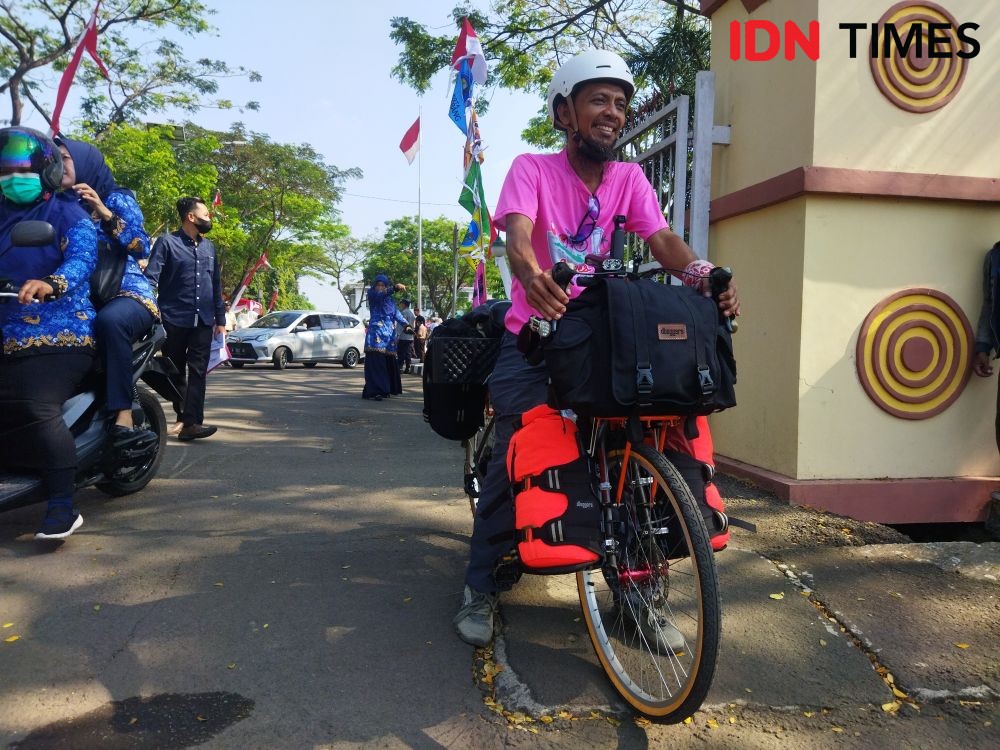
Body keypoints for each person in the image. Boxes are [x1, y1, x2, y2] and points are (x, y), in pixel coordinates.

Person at [453, 50, 740, 648]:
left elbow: (661, 239)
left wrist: (705, 274)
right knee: (520, 447)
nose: (613, 113)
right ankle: (480, 585)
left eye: (620, 103)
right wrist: (532, 278)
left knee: (633, 449)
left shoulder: (629, 179)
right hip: (534, 336)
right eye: (598, 101)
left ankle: (637, 598)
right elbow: (520, 236)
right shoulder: (532, 168)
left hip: (600, 337)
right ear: (566, 112)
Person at [0, 127, 98, 539]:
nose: (12, 178)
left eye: (23, 170)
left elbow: (82, 259)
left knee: (35, 404)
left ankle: (61, 505)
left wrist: (52, 283)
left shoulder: (66, 211)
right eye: (5, 171)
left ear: (47, 170)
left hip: (59, 330)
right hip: (6, 327)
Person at [56, 137, 159, 441]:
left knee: (111, 321)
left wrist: (104, 213)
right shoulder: (54, 204)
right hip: (78, 295)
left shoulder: (116, 198)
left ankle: (123, 413)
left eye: (66, 158)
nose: (59, 165)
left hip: (126, 294)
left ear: (85, 161)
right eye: (54, 159)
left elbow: (142, 247)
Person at [144, 197, 226, 440]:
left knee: (198, 372)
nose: (209, 219)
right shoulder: (167, 243)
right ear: (191, 217)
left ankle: (192, 423)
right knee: (174, 371)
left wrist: (220, 320)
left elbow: (215, 285)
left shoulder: (209, 247)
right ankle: (183, 415)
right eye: (206, 215)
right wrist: (148, 308)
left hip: (203, 320)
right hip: (172, 319)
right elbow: (151, 278)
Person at [362, 274, 407, 401]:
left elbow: (397, 314)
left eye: (383, 285)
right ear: (375, 285)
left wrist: (406, 325)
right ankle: (375, 391)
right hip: (376, 334)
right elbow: (380, 295)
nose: (380, 287)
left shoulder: (390, 301)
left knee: (388, 363)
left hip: (389, 336)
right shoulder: (373, 295)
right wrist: (395, 288)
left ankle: (387, 389)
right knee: (377, 364)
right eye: (378, 285)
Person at [396, 297, 416, 374]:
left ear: (404, 304)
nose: (400, 305)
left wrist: (397, 335)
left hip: (403, 336)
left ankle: (400, 368)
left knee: (401, 352)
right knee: (408, 353)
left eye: (401, 303)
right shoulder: (411, 314)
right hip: (410, 337)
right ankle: (408, 367)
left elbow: (401, 325)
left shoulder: (403, 313)